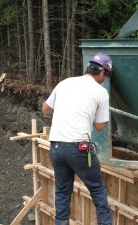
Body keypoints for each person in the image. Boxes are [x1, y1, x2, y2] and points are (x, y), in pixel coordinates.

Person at [42, 52, 113, 225]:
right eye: (107, 75)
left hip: (57, 147)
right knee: (97, 189)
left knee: (62, 192)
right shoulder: (101, 92)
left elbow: (45, 109)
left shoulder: (65, 83)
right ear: (103, 72)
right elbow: (100, 126)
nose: (105, 79)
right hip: (79, 149)